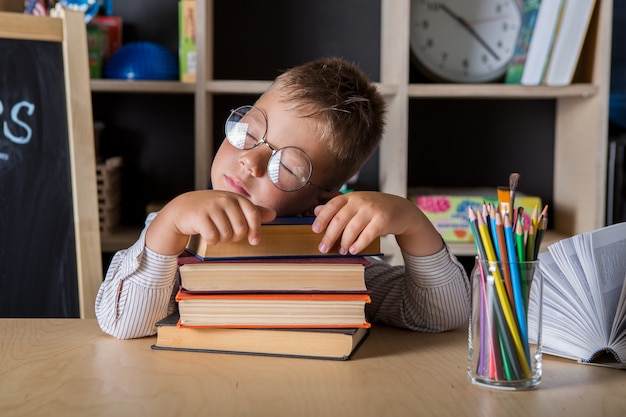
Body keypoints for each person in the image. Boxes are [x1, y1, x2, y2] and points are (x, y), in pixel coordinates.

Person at [95, 56, 470, 339]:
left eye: (287, 167)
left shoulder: (330, 258)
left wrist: (410, 222)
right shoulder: (172, 232)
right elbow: (120, 323)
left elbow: (444, 315)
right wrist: (168, 222)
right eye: (247, 132)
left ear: (321, 199)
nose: (250, 161)